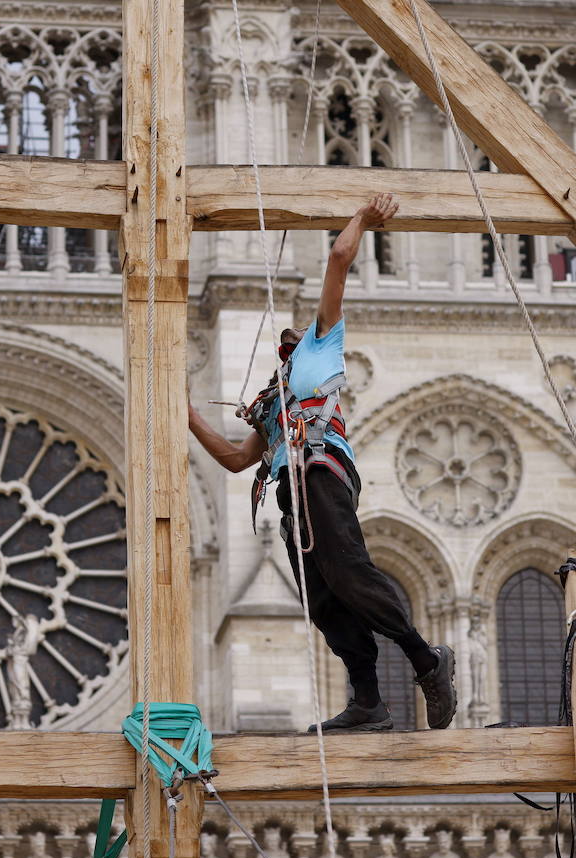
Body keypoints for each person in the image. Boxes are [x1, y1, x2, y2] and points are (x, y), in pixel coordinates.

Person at [188, 193, 456, 732]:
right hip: (295, 497)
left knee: (348, 573)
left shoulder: (322, 344)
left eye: (296, 331)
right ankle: (368, 703)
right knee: (325, 603)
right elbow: (239, 460)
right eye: (285, 338)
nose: (290, 334)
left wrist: (361, 218)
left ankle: (426, 659)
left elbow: (338, 262)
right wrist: (186, 415)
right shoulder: (271, 403)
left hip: (322, 472)